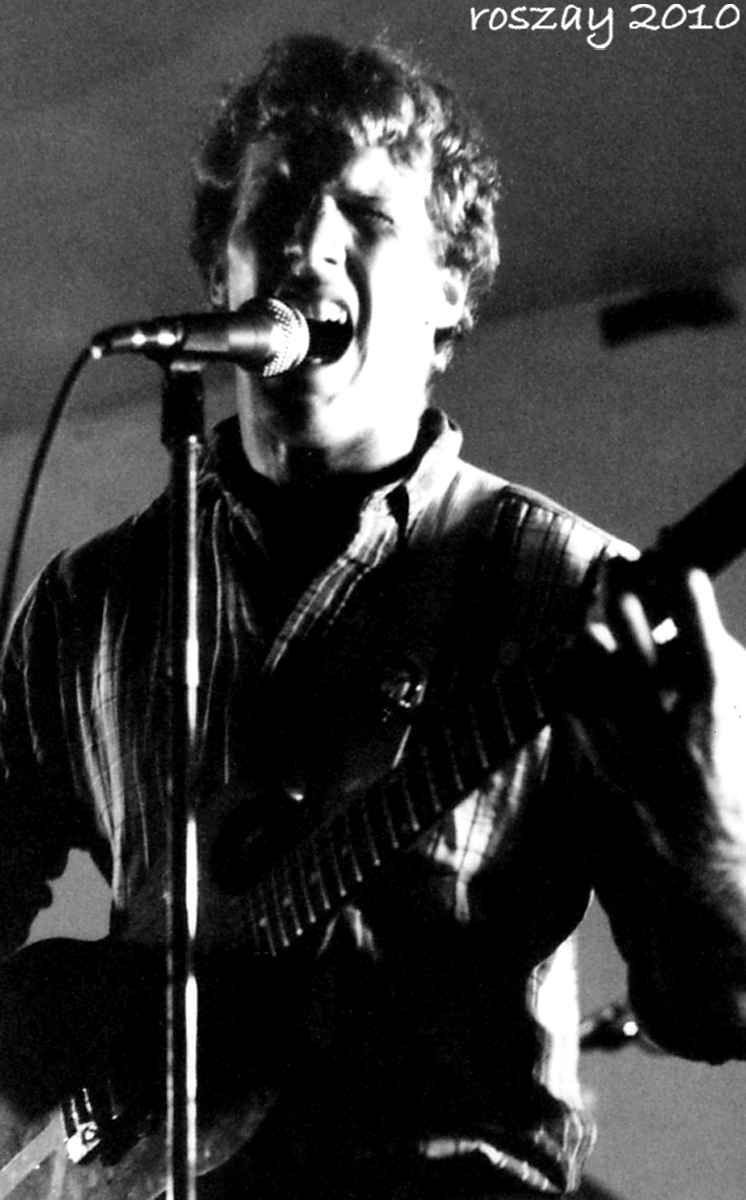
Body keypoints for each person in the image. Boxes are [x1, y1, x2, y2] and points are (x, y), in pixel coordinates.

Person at [0, 32, 745, 1200]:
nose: (308, 240)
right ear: (219, 272)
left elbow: (713, 1013)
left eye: (365, 211)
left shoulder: (567, 590)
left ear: (449, 292)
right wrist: (54, 1086)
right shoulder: (86, 605)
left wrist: (706, 826)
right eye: (274, 203)